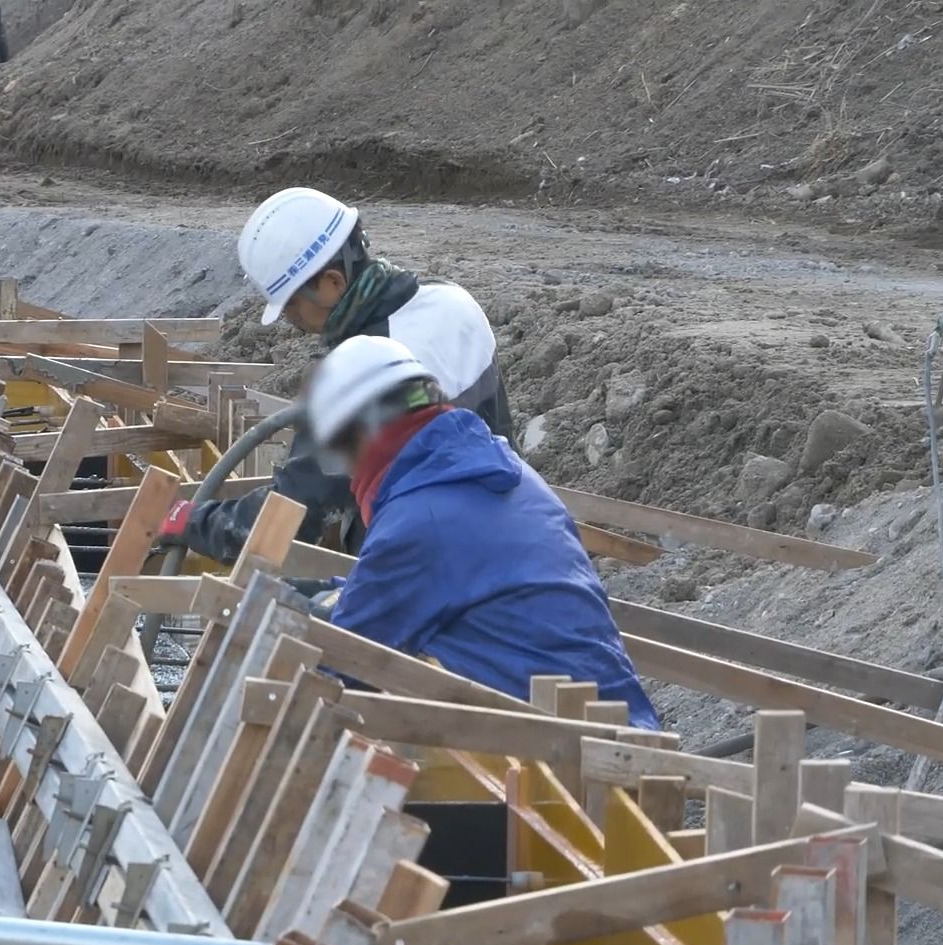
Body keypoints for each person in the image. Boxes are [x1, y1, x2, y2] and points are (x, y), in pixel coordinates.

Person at [306, 335, 659, 729]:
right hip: (624, 733)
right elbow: (438, 582)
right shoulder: (505, 472)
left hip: (559, 764)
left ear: (366, 433)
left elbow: (337, 666)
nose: (350, 473)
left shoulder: (417, 523)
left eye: (343, 451)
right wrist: (323, 593)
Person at [161, 186, 514, 562]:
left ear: (332, 282)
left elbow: (289, 519)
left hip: (423, 577)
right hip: (511, 535)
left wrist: (191, 521)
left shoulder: (366, 373)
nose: (288, 318)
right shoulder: (453, 300)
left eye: (292, 303)